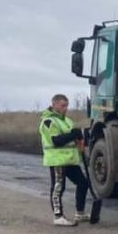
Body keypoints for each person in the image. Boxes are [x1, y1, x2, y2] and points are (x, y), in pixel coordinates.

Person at [39, 94, 89, 226]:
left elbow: (73, 137)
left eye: (66, 105)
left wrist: (80, 137)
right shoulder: (48, 121)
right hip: (57, 160)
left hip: (70, 159)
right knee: (58, 187)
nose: (65, 108)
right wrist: (73, 134)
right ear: (54, 105)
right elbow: (56, 141)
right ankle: (58, 216)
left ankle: (80, 212)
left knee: (83, 183)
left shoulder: (67, 120)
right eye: (62, 105)